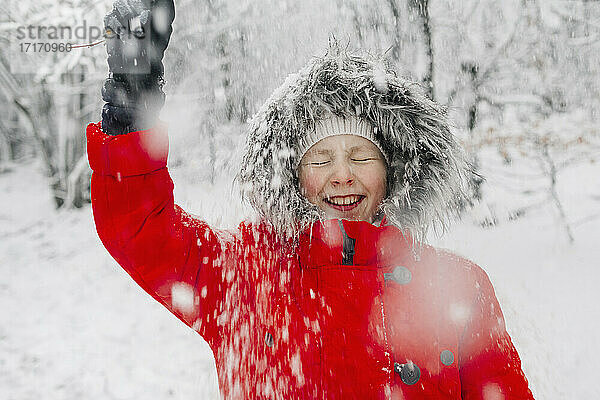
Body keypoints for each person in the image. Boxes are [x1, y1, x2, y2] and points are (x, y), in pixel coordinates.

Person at [88, 0, 534, 398]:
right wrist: (132, 103)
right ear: (293, 175)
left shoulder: (456, 286)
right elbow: (140, 229)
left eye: (361, 155)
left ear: (394, 169)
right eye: (320, 159)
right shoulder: (246, 272)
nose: (342, 175)